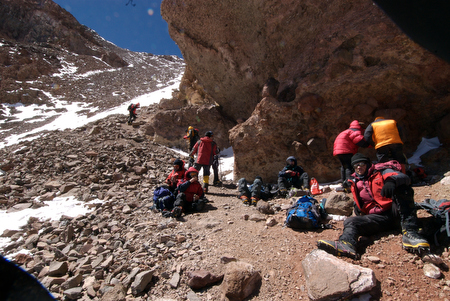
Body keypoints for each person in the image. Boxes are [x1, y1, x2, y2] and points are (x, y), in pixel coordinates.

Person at [317, 153, 430, 260]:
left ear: (368, 164)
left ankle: (410, 232)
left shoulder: (381, 171)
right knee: (350, 221)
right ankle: (347, 244)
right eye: (356, 166)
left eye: (361, 164)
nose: (359, 167)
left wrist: (391, 181)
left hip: (395, 212)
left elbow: (403, 177)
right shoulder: (355, 182)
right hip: (378, 219)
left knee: (403, 189)